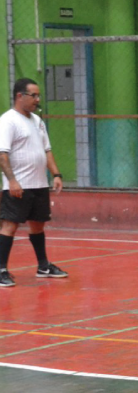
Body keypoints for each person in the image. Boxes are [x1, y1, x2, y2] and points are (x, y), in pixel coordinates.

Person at [0, 78, 68, 287]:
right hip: (18, 185)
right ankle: (1, 269)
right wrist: (12, 181)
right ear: (20, 96)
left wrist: (56, 175)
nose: (38, 100)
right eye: (34, 96)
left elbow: (46, 150)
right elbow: (2, 154)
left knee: (38, 225)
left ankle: (43, 266)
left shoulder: (37, 121)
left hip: (39, 184)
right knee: (9, 226)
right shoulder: (8, 121)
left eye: (39, 96)